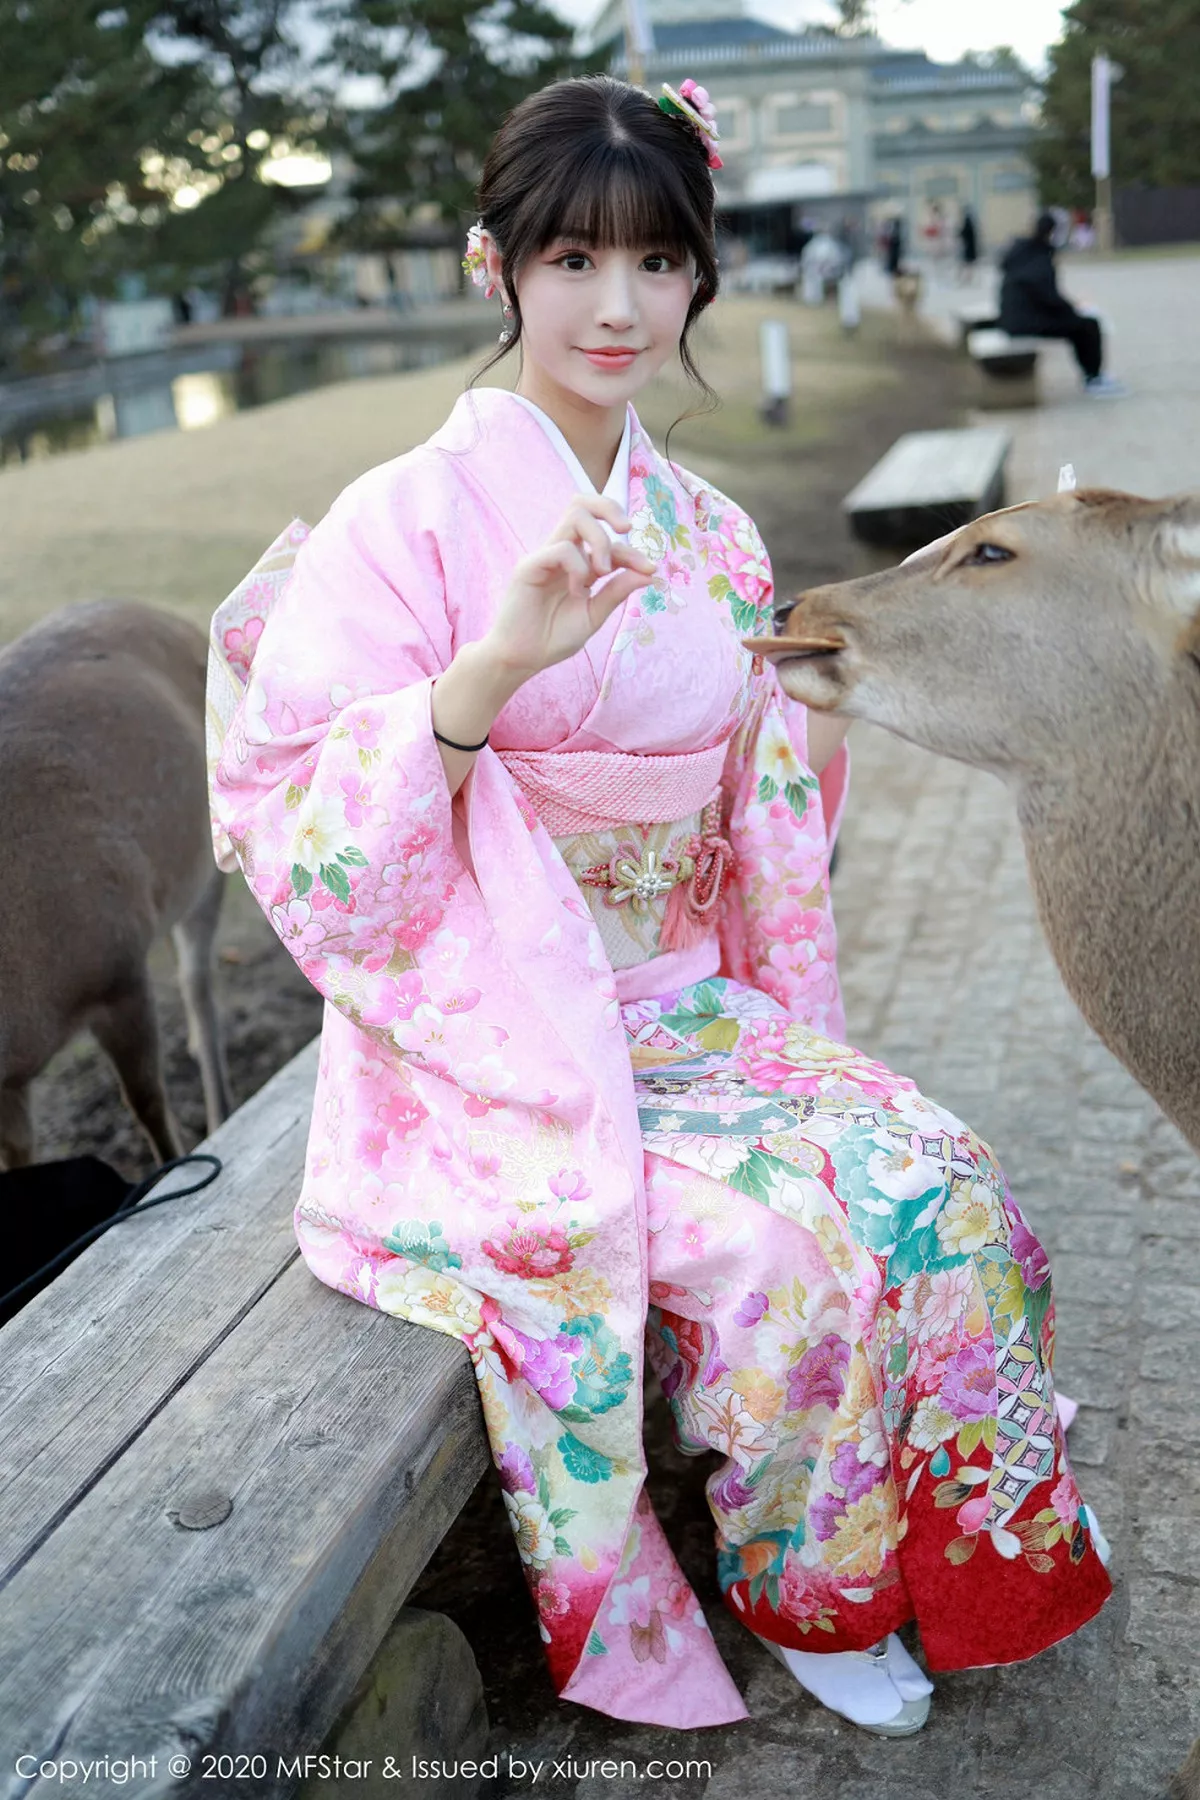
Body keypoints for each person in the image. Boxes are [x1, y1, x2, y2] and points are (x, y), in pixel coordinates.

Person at [208, 74, 1111, 1741]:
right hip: (487, 1050)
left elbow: (760, 805)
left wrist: (807, 739)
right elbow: (301, 825)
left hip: (686, 1007)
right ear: (495, 267)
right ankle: (813, 1587)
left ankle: (985, 1530)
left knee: (948, 1182)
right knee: (783, 1251)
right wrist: (488, 673)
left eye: (657, 261)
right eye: (571, 261)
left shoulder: (708, 529)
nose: (617, 306)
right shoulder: (400, 524)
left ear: (700, 274)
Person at [999, 211, 1124, 396]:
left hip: (1015, 317)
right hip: (1026, 321)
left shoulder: (1022, 252)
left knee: (1080, 325)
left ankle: (1092, 375)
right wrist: (1074, 310)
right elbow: (1048, 297)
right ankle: (1093, 378)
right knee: (1088, 326)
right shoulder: (1040, 257)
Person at [957, 206, 979, 284]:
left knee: (967, 264)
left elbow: (964, 233)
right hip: (969, 247)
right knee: (968, 264)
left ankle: (967, 278)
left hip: (968, 248)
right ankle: (966, 278)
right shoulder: (971, 223)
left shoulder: (968, 223)